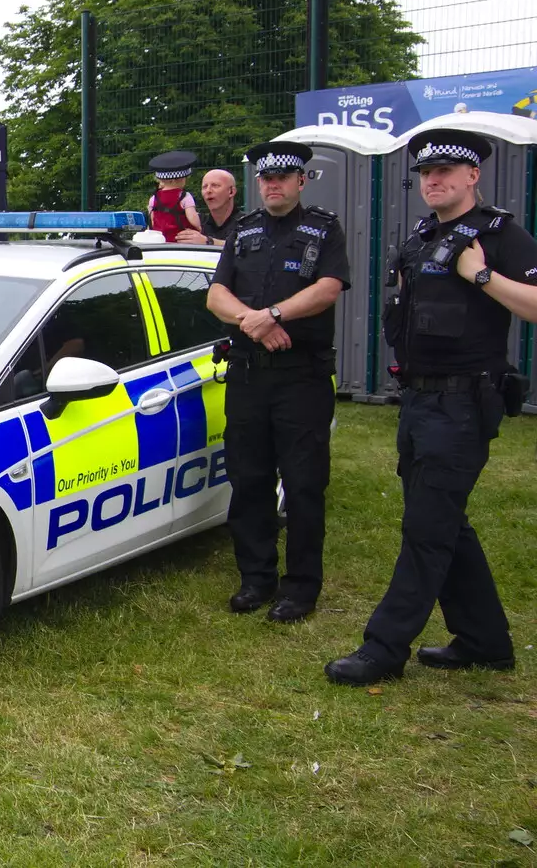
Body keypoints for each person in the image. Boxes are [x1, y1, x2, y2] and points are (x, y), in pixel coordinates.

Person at [326, 129, 537, 686]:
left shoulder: (499, 234)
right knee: (444, 523)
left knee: (426, 527)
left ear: (474, 176)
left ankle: (384, 647)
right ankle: (485, 641)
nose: (433, 180)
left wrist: (483, 275)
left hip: (464, 404)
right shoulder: (421, 238)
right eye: (425, 172)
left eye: (446, 171)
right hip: (419, 399)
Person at [206, 141, 348, 624]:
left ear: (300, 181)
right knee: (249, 479)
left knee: (305, 483)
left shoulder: (324, 228)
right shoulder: (243, 231)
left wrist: (274, 315)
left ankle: (301, 588)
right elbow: (216, 295)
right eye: (265, 179)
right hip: (247, 374)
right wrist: (254, 322)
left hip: (301, 377)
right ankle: (256, 578)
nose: (273, 185)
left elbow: (328, 288)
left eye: (283, 177)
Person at [146, 151, 204, 243]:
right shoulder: (185, 196)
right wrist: (199, 227)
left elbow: (151, 221)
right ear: (180, 179)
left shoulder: (153, 198)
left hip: (160, 241)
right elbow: (193, 219)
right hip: (181, 241)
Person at [177, 169, 241, 246]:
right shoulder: (197, 223)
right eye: (204, 187)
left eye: (215, 185)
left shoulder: (246, 223)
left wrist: (209, 241)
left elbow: (244, 246)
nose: (208, 190)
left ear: (231, 191)